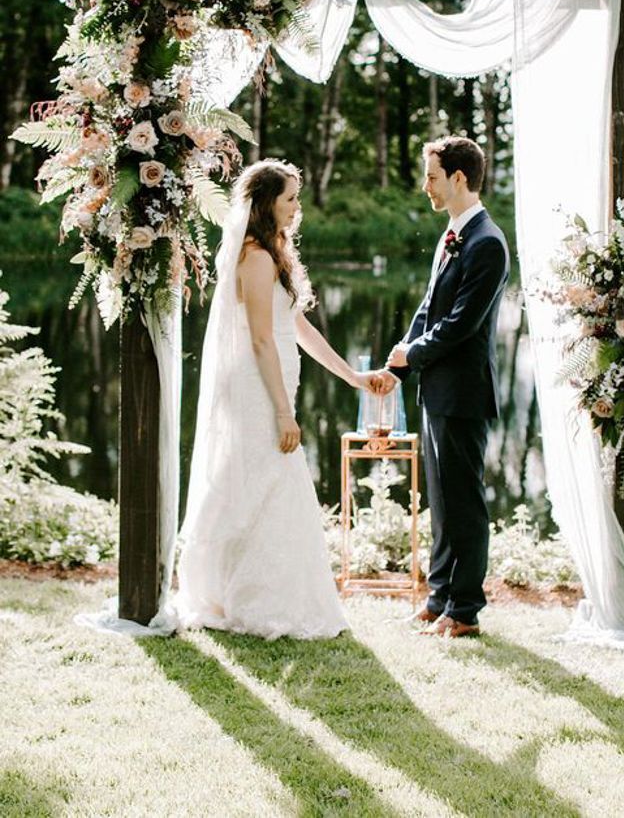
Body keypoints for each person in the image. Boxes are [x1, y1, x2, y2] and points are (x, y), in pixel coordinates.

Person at [177, 159, 382, 639]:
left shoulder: (275, 252)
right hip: (256, 389)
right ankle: (248, 598)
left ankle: (262, 593)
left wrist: (352, 376)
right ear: (266, 203)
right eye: (290, 198)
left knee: (266, 481)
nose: (297, 207)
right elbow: (261, 340)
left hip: (273, 385)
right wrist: (283, 411)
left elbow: (297, 327)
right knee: (258, 480)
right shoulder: (255, 256)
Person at [379, 136, 509, 638]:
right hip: (436, 387)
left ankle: (466, 608)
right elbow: (429, 311)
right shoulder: (451, 235)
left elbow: (461, 324)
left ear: (458, 179)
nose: (425, 186)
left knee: (464, 503)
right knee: (441, 499)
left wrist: (414, 352)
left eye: (431, 176)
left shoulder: (487, 243)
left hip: (464, 393)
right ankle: (439, 596)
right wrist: (400, 362)